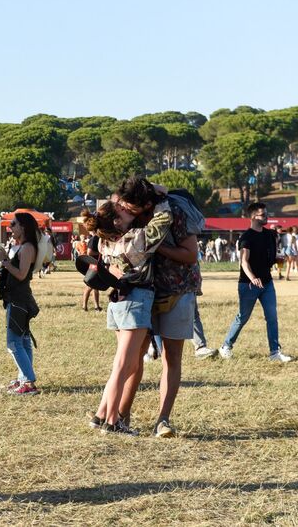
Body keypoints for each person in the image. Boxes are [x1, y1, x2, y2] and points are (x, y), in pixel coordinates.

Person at [83, 179, 173, 435]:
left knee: (126, 365)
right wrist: (160, 197)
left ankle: (101, 414)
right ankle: (112, 421)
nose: (126, 209)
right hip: (136, 300)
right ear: (117, 222)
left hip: (118, 303)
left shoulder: (104, 241)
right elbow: (163, 221)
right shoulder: (133, 240)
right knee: (123, 366)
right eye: (122, 210)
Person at [117, 181, 203, 438]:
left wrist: (154, 245)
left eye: (130, 207)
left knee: (171, 357)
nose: (125, 210)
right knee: (134, 356)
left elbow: (190, 255)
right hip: (143, 292)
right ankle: (121, 416)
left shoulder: (174, 212)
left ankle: (163, 420)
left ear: (146, 204)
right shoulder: (129, 215)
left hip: (178, 290)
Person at [215, 203, 294, 362]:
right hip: (248, 284)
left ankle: (274, 352)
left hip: (267, 283)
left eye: (266, 213)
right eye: (262, 214)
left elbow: (270, 256)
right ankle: (226, 346)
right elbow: (244, 261)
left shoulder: (270, 235)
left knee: (272, 317)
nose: (266, 217)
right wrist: (253, 278)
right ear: (253, 217)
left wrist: (278, 259)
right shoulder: (246, 237)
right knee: (243, 317)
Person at [0, 213, 44, 395]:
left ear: (23, 227)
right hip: (19, 298)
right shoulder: (25, 247)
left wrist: (5, 261)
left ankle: (28, 382)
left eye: (14, 224)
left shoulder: (27, 248)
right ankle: (23, 378)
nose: (10, 227)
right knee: (23, 341)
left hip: (19, 300)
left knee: (14, 343)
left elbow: (21, 274)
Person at [82, 230, 102, 311]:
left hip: (98, 264)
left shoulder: (99, 238)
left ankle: (97, 306)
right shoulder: (94, 239)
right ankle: (84, 306)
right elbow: (89, 252)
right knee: (89, 286)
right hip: (93, 265)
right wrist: (101, 253)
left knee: (95, 286)